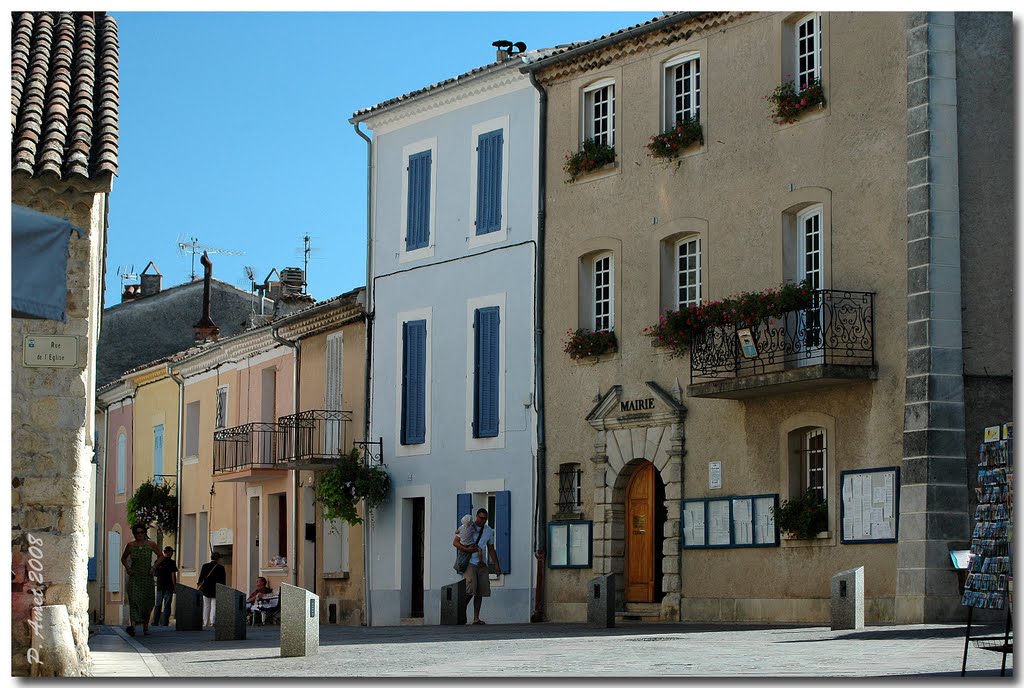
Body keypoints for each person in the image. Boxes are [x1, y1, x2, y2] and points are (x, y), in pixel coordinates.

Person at [452, 507, 501, 625]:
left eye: (485, 518)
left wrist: (496, 565)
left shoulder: (488, 531)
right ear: (476, 517)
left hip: (482, 563)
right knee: (470, 588)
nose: (482, 520)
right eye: (481, 518)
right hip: (470, 562)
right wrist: (467, 549)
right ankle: (460, 612)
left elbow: (490, 548)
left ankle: (476, 618)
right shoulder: (467, 527)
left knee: (480, 591)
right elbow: (455, 542)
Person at [120, 524, 165, 637]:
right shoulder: (130, 545)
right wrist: (128, 569)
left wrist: (154, 568)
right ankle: (133, 626)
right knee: (134, 601)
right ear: (134, 534)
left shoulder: (151, 544)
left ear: (145, 533)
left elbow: (161, 556)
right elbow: (123, 558)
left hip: (147, 577)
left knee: (147, 601)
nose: (139, 535)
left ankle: (145, 627)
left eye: (141, 533)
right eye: (137, 533)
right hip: (135, 577)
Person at [197, 551, 226, 628]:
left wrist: (199, 585)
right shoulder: (221, 568)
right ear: (218, 559)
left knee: (206, 606)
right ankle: (212, 622)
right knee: (214, 605)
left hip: (206, 589)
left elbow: (201, 578)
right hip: (216, 589)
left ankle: (205, 622)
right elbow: (223, 581)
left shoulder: (205, 566)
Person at [151, 546, 178, 626]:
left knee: (158, 604)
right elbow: (173, 575)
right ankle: (165, 622)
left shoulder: (158, 561)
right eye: (172, 552)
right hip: (169, 586)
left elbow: (154, 573)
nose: (172, 554)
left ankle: (155, 622)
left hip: (160, 585)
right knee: (167, 605)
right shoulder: (172, 562)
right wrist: (174, 586)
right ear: (169, 553)